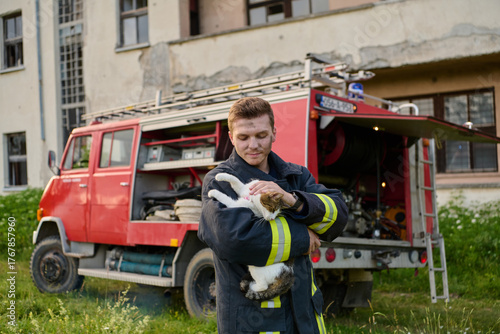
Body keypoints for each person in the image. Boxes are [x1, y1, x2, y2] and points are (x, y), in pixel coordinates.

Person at [198, 97, 348, 334]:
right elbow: (234, 240)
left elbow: (337, 215)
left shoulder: (296, 176)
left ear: (274, 132)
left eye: (261, 135)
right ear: (231, 137)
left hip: (305, 317)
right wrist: (302, 236)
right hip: (254, 319)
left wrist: (293, 200)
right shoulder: (219, 180)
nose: (253, 145)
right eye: (243, 137)